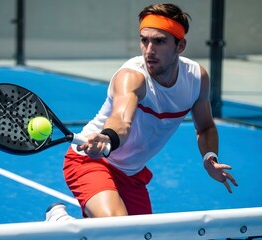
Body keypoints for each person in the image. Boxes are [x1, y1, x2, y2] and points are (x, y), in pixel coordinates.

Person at [46, 2, 238, 221]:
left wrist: (209, 157)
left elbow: (205, 127)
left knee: (138, 235)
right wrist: (107, 137)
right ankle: (61, 221)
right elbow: (121, 119)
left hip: (131, 173)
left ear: (180, 45)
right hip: (92, 161)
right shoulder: (132, 77)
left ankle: (62, 224)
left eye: (159, 41)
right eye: (144, 40)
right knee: (119, 228)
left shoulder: (196, 78)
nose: (149, 50)